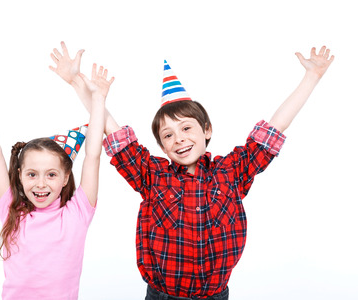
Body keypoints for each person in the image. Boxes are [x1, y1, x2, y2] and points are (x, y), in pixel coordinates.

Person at [50, 43, 334, 299]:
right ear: (162, 146)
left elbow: (274, 128)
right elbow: (112, 131)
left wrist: (311, 78)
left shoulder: (232, 171)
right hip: (161, 294)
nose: (180, 139)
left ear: (206, 130)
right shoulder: (153, 175)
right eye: (169, 135)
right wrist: (78, 84)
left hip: (214, 295)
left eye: (186, 128)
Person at [0, 63, 114, 299]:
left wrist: (98, 99)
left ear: (66, 176)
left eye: (51, 174)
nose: (40, 184)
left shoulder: (77, 213)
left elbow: (93, 156)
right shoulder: (10, 209)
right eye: (32, 174)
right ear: (19, 175)